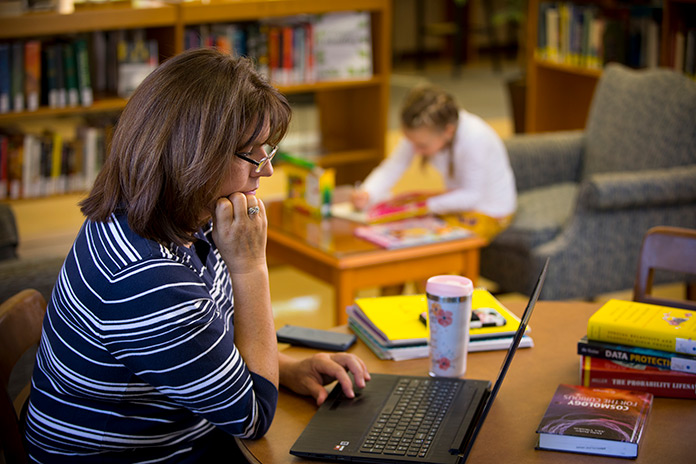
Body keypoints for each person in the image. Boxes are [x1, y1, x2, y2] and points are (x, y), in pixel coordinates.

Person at [24, 48, 370, 463]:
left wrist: (287, 366)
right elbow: (253, 415)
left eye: (268, 150)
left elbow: (208, 336)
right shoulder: (146, 277)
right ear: (194, 156)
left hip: (183, 433)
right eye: (252, 152)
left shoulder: (176, 214)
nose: (267, 169)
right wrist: (251, 266)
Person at [352, 84, 516, 242]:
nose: (415, 150)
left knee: (421, 237)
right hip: (457, 204)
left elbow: (472, 196)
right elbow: (394, 165)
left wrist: (421, 206)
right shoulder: (425, 132)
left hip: (490, 211)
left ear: (448, 131)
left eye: (422, 146)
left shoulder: (475, 138)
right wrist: (368, 192)